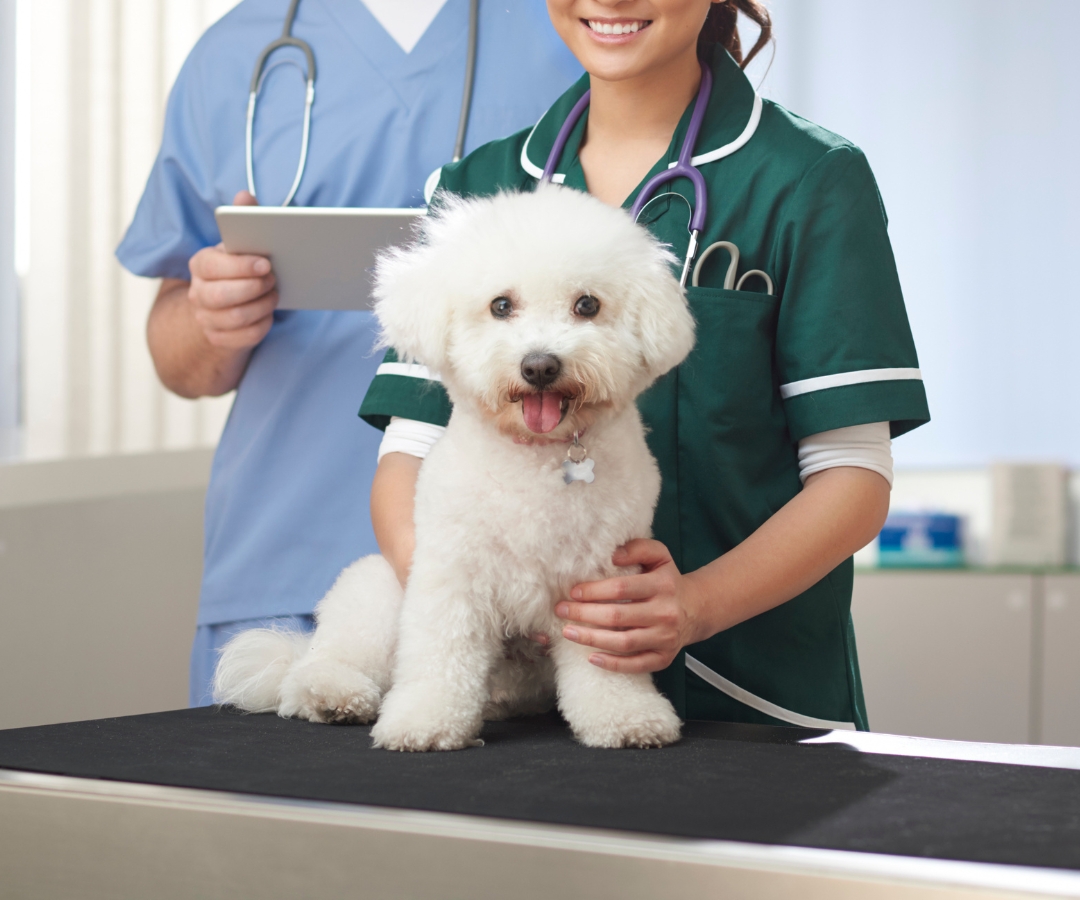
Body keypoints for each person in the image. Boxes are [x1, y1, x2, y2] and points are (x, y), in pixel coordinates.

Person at [359, 0, 930, 730]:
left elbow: (854, 478)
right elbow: (407, 453)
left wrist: (695, 606)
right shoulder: (478, 186)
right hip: (516, 715)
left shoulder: (810, 179)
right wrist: (468, 612)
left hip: (752, 703)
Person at [115, 0, 582, 706]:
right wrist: (212, 315)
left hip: (514, 576)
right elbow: (178, 361)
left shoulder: (580, 29)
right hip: (280, 557)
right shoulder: (235, 52)